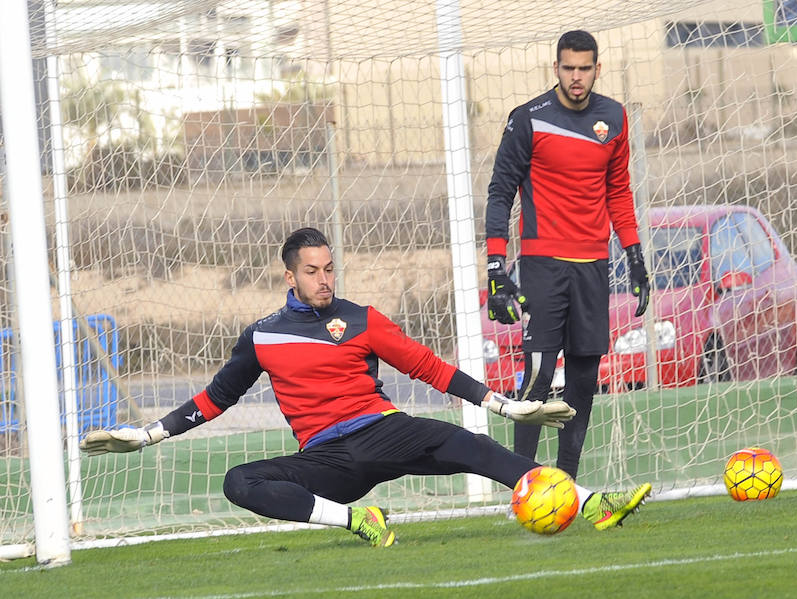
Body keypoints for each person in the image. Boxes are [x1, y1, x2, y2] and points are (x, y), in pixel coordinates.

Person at [81, 227, 651, 547]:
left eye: (329, 268)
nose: (325, 278)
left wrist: (504, 406)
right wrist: (147, 435)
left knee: (471, 447)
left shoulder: (362, 318)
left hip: (385, 432)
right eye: (312, 270)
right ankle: (358, 521)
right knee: (239, 482)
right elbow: (215, 399)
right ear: (290, 276)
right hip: (329, 463)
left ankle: (591, 502)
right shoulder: (261, 337)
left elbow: (429, 367)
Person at [484, 30, 650, 480]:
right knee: (537, 378)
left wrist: (634, 256)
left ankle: (567, 485)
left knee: (582, 381)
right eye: (568, 68)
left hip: (594, 267)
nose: (576, 78)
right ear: (555, 68)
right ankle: (523, 484)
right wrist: (496, 266)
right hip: (542, 267)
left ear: (598, 69)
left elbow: (618, 191)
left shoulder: (613, 118)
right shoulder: (529, 119)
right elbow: (500, 194)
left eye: (585, 68)